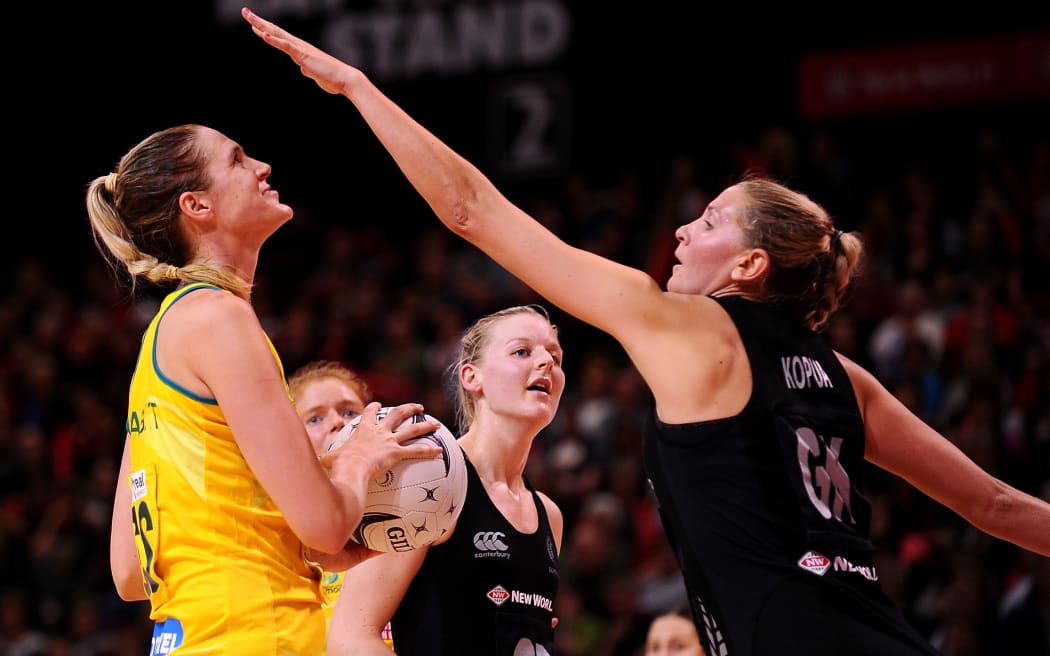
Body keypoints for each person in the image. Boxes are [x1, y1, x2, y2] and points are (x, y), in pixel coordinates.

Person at [243, 9, 1050, 655]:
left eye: (707, 223)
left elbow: (472, 211)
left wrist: (359, 89)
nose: (681, 233)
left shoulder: (694, 331)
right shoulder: (849, 379)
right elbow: (999, 506)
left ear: (749, 267)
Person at [87, 123, 442, 653]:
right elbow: (323, 526)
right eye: (236, 159)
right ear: (197, 206)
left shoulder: (161, 343)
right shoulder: (219, 319)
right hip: (261, 631)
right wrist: (359, 454)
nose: (261, 167)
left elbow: (130, 571)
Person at [327, 304, 566, 655]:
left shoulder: (550, 515)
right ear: (472, 377)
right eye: (522, 351)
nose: (547, 362)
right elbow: (350, 638)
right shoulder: (429, 482)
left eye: (556, 356)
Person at [287, 359, 395, 648]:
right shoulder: (278, 534)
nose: (338, 422)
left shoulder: (409, 523)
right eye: (315, 418)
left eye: (350, 412)